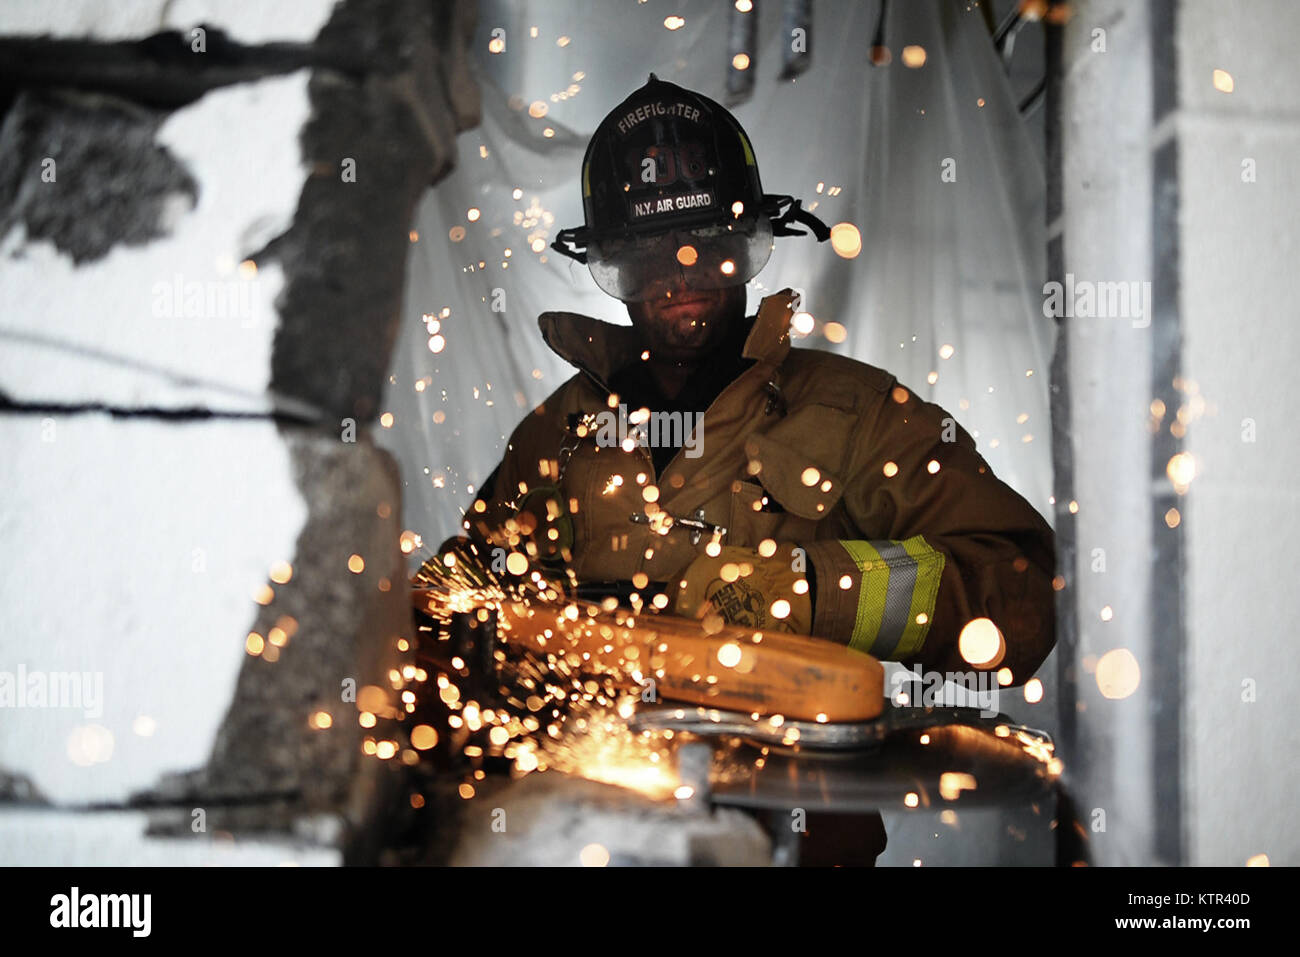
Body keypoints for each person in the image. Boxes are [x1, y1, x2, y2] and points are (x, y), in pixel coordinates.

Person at [452, 74, 1057, 864]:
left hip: (796, 837)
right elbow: (456, 607)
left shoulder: (858, 412)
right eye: (649, 252)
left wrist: (806, 594)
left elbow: (1024, 591)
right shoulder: (559, 433)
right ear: (613, 264)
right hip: (597, 834)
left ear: (750, 245)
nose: (683, 269)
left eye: (708, 239)